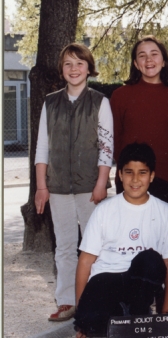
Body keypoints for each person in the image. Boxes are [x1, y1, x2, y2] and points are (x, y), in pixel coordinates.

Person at [34, 43, 113, 322]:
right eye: (68, 63)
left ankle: (96, 300)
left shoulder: (100, 101)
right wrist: (42, 186)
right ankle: (67, 300)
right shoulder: (50, 102)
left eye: (79, 63)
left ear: (89, 68)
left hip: (90, 187)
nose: (74, 68)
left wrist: (102, 182)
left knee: (95, 246)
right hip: (57, 189)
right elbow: (42, 147)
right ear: (61, 70)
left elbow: (106, 147)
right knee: (65, 246)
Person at [72, 143, 168, 338]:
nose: (135, 179)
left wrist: (167, 316)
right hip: (107, 280)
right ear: (120, 175)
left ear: (152, 176)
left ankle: (136, 314)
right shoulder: (105, 210)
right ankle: (128, 317)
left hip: (139, 283)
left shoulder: (165, 212)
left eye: (142, 173)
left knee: (151, 259)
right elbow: (86, 261)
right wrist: (81, 311)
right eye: (129, 172)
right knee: (90, 324)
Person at [111, 36, 168, 210]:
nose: (148, 60)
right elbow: (114, 139)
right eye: (142, 55)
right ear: (136, 63)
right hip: (130, 178)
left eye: (154, 54)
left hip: (165, 177)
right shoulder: (120, 96)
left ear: (163, 61)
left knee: (161, 234)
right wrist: (130, 170)